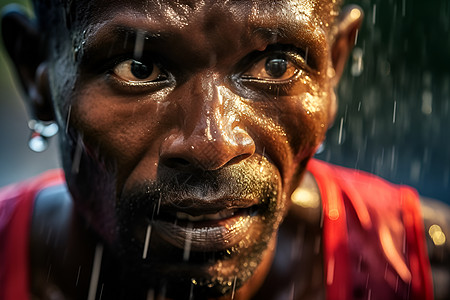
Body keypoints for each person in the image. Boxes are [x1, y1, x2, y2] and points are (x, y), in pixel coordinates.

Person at [0, 0, 448, 299]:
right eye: (139, 68)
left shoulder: (422, 271)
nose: (212, 145)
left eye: (277, 65)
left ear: (333, 68)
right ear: (34, 73)